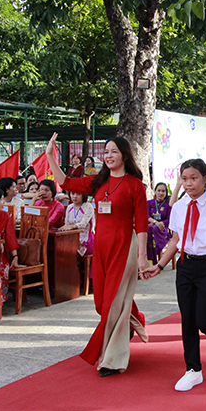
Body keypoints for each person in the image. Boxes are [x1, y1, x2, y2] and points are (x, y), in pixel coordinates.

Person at [45, 133, 150, 377]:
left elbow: (142, 225)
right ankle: (134, 317)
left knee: (113, 301)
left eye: (113, 151)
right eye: (106, 152)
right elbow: (66, 182)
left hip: (125, 247)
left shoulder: (135, 185)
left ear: (124, 155)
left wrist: (143, 257)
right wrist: (50, 155)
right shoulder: (98, 182)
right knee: (102, 302)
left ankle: (111, 359)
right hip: (101, 248)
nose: (109, 156)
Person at [144, 158, 206, 392]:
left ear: (205, 179)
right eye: (184, 179)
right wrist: (160, 265)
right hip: (186, 265)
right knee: (187, 319)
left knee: (203, 318)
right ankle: (193, 369)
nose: (188, 183)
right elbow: (176, 241)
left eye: (194, 178)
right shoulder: (179, 207)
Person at [60, 191, 95, 257]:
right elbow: (66, 224)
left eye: (78, 194)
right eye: (72, 193)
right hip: (72, 239)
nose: (75, 196)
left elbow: (83, 224)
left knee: (68, 250)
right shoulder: (69, 207)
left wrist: (72, 226)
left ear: (84, 195)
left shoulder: (88, 207)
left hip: (86, 241)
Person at [146, 182, 172, 265]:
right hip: (151, 226)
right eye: (159, 190)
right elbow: (145, 215)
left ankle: (151, 261)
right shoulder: (149, 203)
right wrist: (155, 222)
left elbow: (170, 219)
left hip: (163, 230)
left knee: (151, 230)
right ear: (155, 191)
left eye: (163, 191)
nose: (161, 193)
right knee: (147, 230)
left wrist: (159, 224)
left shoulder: (169, 204)